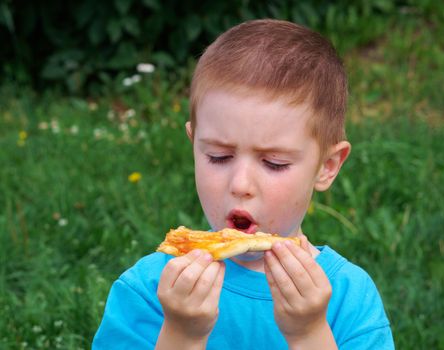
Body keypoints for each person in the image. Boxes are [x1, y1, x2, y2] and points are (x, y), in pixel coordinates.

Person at [93, 19, 394, 349]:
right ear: (194, 145)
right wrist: (181, 334)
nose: (240, 184)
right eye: (219, 157)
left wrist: (309, 334)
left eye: (273, 163)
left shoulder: (348, 298)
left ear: (326, 166)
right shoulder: (152, 290)